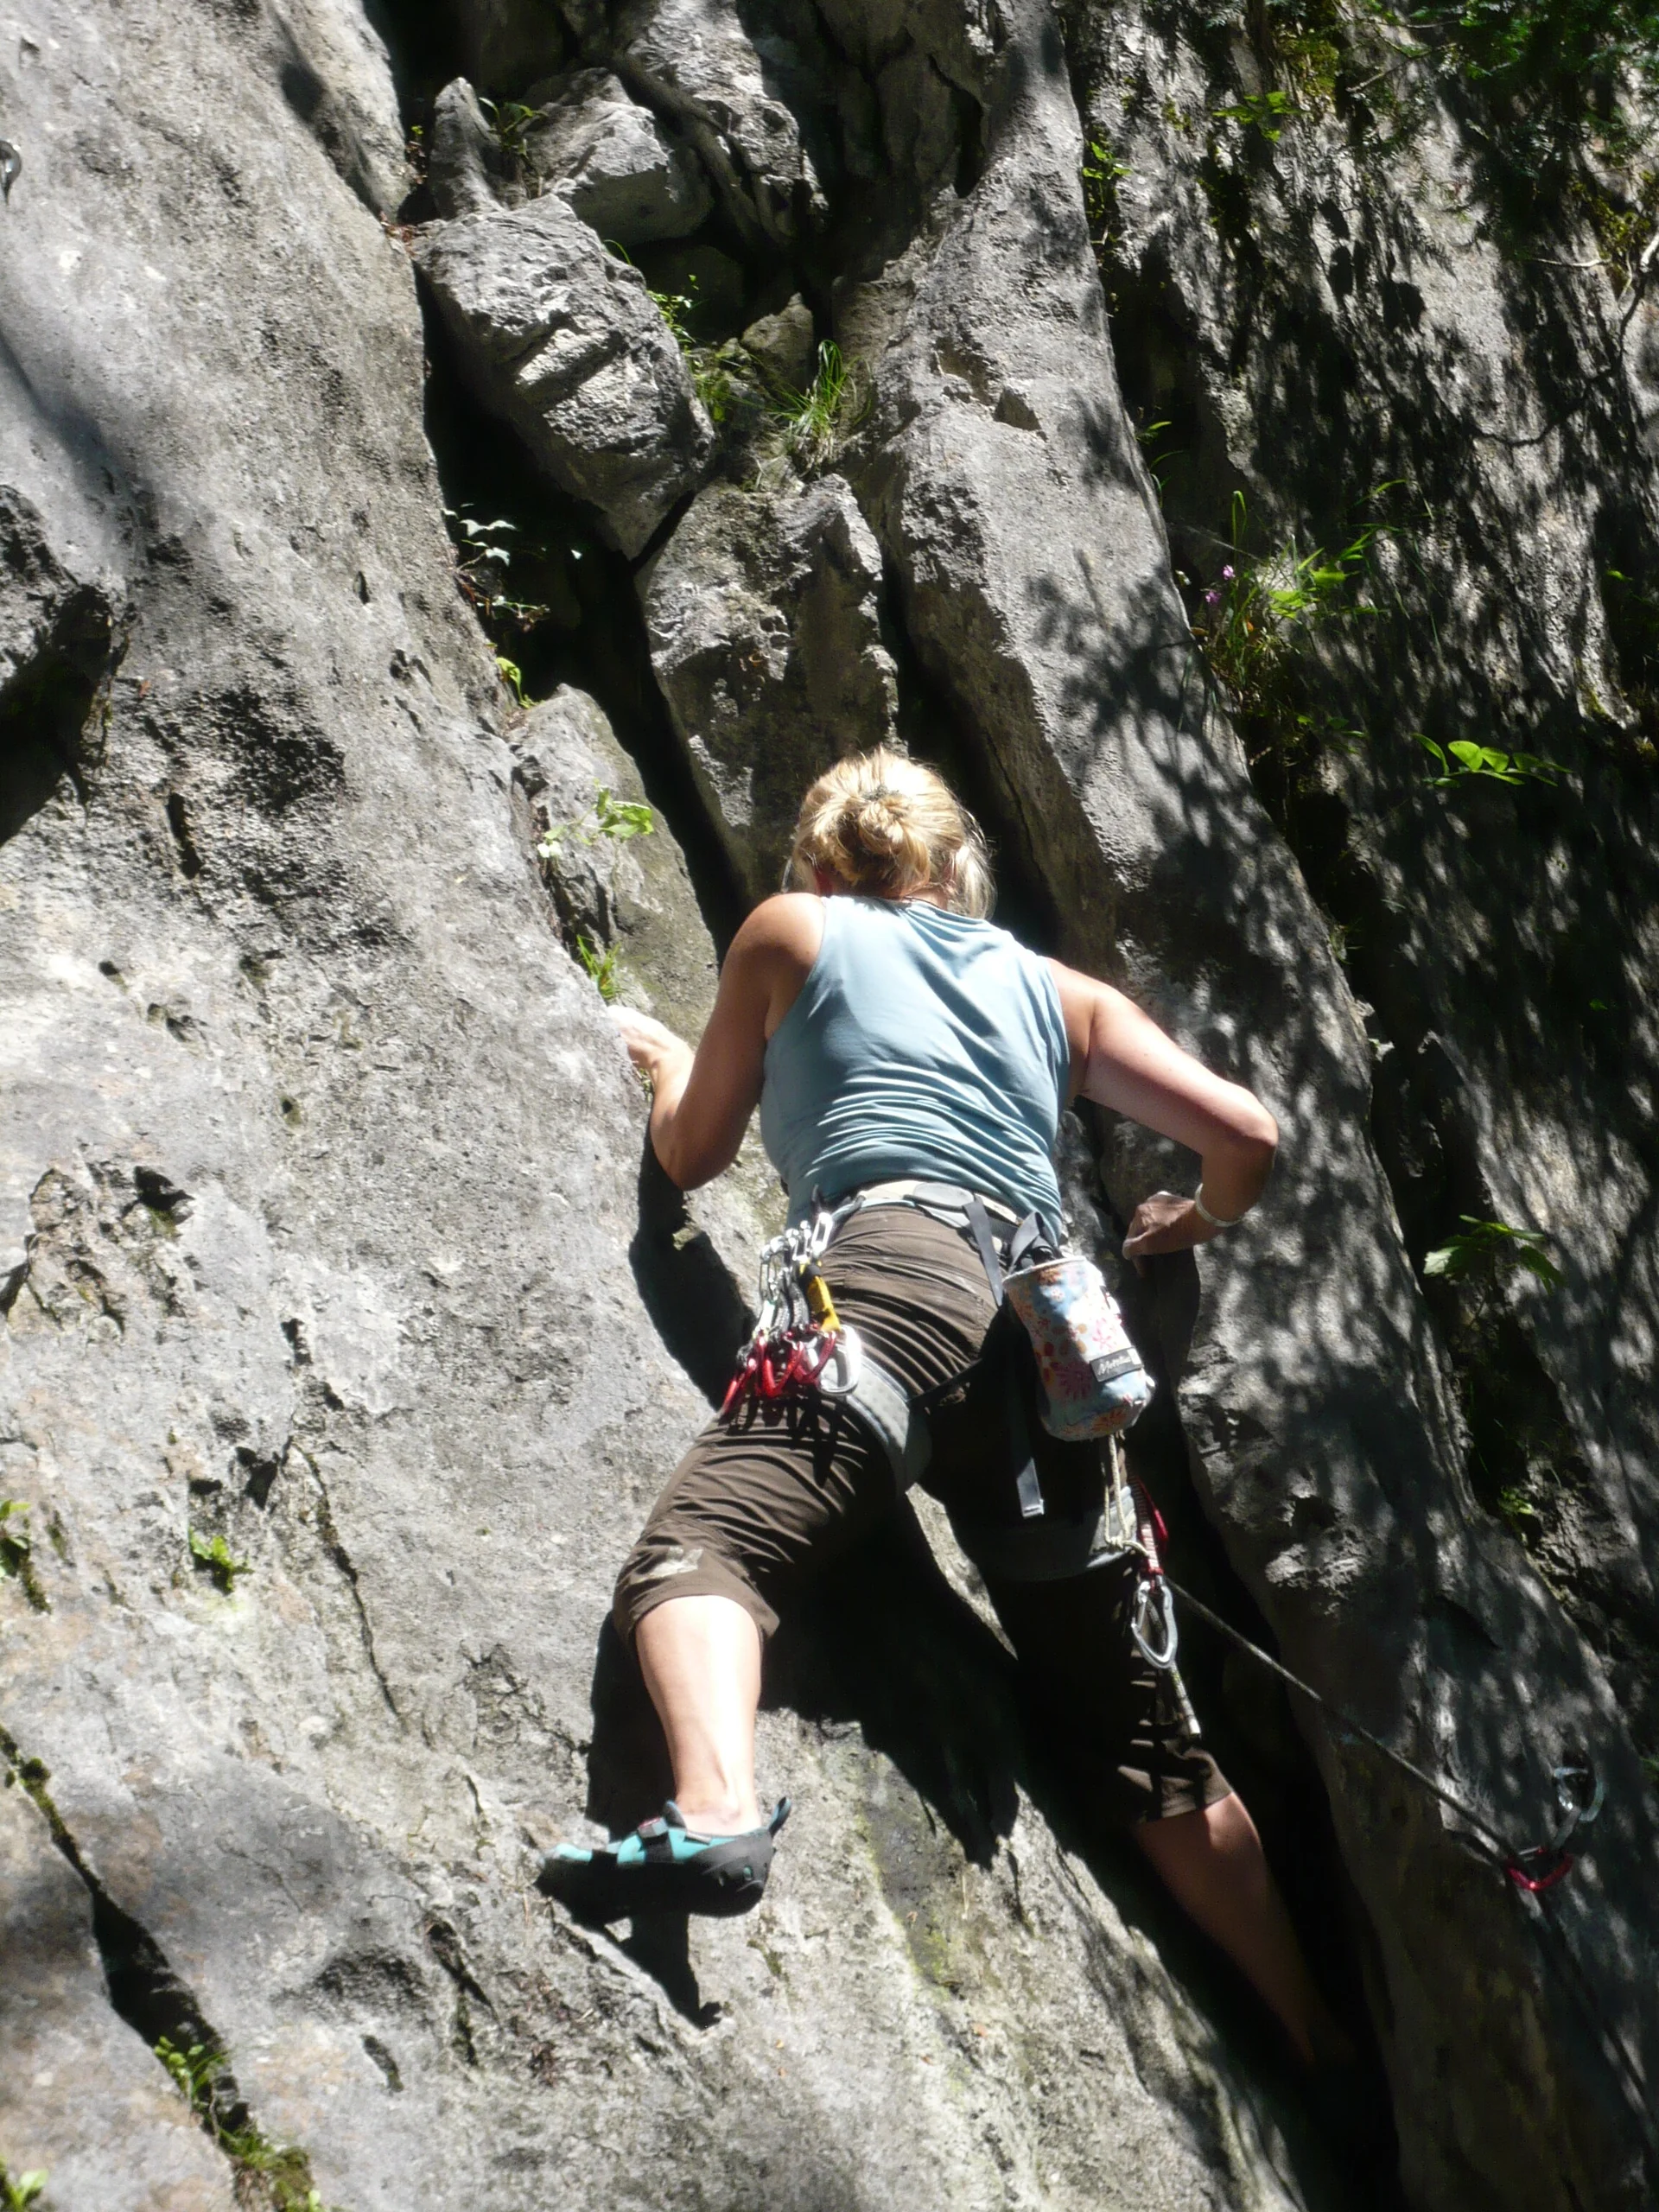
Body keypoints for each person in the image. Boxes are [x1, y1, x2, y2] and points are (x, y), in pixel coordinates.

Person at [545, 746, 1348, 2070]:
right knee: (1154, 1757)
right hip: (1047, 1360)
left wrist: (667, 1066)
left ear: (819, 860)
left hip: (891, 1286)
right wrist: (1185, 1219)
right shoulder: (1054, 992)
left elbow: (693, 1155)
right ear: (955, 869)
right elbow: (1248, 1137)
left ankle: (718, 1809)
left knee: (710, 1550)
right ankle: (1315, 2039)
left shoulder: (790, 932)